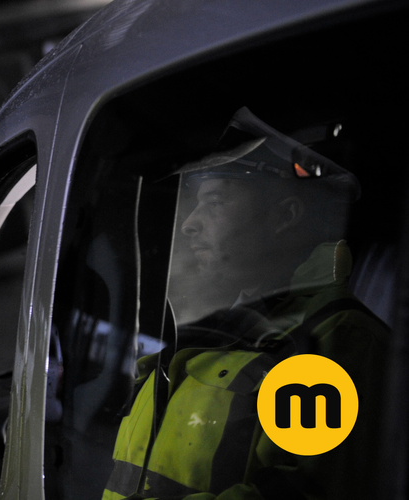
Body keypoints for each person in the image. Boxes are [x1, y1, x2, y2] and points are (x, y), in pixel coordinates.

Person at [102, 107, 389, 499]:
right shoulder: (211, 326)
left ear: (284, 216)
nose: (189, 223)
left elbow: (298, 491)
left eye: (215, 202)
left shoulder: (332, 341)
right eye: (196, 202)